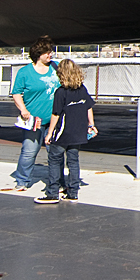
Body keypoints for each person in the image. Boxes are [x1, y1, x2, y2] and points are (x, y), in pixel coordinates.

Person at [35, 58, 97, 204]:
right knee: (73, 161)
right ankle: (73, 192)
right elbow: (89, 107)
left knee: (54, 160)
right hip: (78, 133)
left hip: (63, 133)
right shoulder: (82, 89)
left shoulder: (61, 92)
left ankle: (52, 192)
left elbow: (56, 114)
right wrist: (91, 124)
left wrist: (50, 133)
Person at [11, 36, 59, 191]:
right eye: (47, 52)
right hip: (34, 120)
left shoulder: (57, 67)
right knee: (29, 151)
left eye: (51, 52)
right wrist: (23, 110)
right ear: (39, 54)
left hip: (55, 119)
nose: (50, 55)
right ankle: (22, 180)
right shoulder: (25, 72)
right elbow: (16, 93)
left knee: (55, 154)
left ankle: (56, 183)